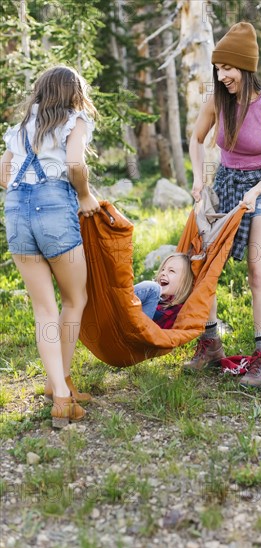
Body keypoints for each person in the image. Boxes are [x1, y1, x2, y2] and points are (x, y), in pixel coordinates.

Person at [185, 21, 261, 387]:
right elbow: (196, 138)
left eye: (228, 68)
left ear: (246, 67)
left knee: (257, 271)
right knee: (203, 266)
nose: (221, 76)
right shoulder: (217, 101)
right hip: (225, 186)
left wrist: (256, 191)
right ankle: (211, 343)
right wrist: (198, 177)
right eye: (217, 69)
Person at [0, 65, 101, 427]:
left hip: (15, 210)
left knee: (44, 309)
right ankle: (61, 388)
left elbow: (2, 176)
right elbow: (74, 164)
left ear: (41, 91)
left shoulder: (20, 128)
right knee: (74, 299)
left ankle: (59, 388)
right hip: (55, 209)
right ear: (74, 92)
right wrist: (86, 196)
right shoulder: (74, 121)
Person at [134, 253, 194, 329]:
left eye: (171, 271)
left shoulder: (179, 311)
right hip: (125, 321)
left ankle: (118, 300)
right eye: (163, 269)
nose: (163, 273)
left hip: (141, 333)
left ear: (184, 282)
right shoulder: (153, 296)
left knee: (153, 288)